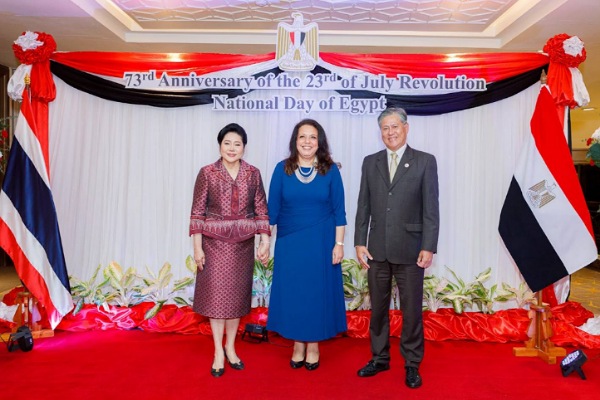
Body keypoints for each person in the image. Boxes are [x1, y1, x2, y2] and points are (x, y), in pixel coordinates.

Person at [354, 107, 439, 389]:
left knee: (411, 311)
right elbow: (363, 205)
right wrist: (359, 241)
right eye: (385, 128)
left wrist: (429, 246)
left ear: (406, 128)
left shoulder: (424, 161)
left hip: (412, 250)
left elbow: (431, 209)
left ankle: (412, 364)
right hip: (376, 250)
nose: (390, 132)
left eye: (394, 126)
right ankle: (379, 358)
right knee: (377, 309)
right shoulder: (371, 162)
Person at [189, 123, 270, 378]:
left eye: (237, 144)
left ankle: (231, 347)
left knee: (236, 300)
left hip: (243, 245)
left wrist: (265, 241)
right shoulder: (207, 173)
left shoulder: (253, 174)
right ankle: (217, 351)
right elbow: (197, 213)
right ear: (220, 146)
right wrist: (197, 248)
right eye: (227, 143)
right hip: (213, 245)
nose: (232, 148)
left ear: (244, 147)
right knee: (216, 299)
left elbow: (261, 210)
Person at [267, 118, 347, 371]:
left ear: (319, 142)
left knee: (315, 294)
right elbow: (272, 211)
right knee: (294, 294)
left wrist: (339, 243)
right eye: (302, 136)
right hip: (290, 244)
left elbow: (339, 211)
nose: (307, 142)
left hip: (321, 243)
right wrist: (264, 241)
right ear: (295, 141)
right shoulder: (282, 169)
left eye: (313, 137)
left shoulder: (330, 170)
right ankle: (297, 344)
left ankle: (313, 345)